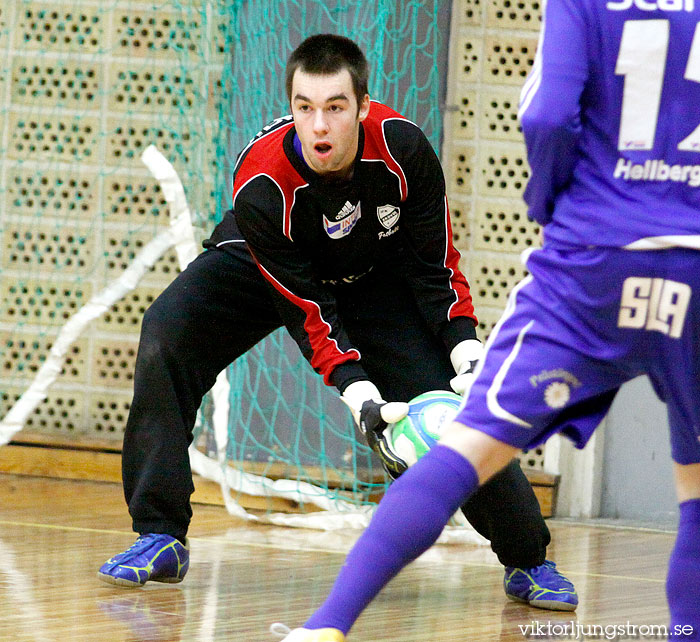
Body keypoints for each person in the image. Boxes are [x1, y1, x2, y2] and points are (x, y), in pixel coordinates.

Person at [96, 34, 576, 610]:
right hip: (263, 260)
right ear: (292, 107)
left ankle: (528, 559)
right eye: (305, 108)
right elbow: (306, 307)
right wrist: (360, 395)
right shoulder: (262, 182)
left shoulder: (404, 151)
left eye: (335, 107)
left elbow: (435, 268)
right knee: (165, 335)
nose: (319, 126)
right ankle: (159, 533)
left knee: (456, 415)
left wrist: (466, 353)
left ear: (363, 106)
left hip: (371, 277)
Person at [273, 5, 700, 642]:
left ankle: (328, 627)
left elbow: (548, 112)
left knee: (461, 450)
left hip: (592, 260)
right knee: (693, 487)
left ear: (359, 105)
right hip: (692, 258)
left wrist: (549, 203)